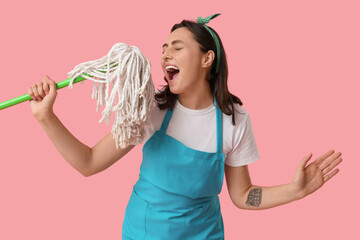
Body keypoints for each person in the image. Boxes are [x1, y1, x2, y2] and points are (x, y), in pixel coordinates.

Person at [28, 14, 342, 240]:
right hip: (144, 233)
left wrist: (296, 190)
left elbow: (243, 195)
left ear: (207, 59)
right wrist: (46, 116)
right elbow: (89, 162)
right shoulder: (150, 109)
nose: (165, 53)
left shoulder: (234, 120)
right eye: (164, 47)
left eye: (177, 47)